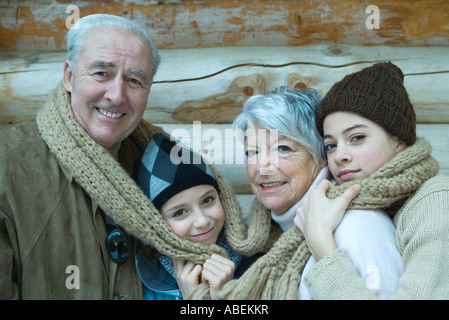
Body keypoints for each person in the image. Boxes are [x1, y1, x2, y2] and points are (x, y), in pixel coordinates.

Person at [0, 13, 164, 299]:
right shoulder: (7, 166)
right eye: (102, 73)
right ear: (69, 75)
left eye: (135, 80)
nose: (116, 95)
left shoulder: (163, 166)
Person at [229, 85, 403, 299]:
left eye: (283, 149)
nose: (263, 166)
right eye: (253, 152)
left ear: (320, 155)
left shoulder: (358, 225)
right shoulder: (260, 235)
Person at [294, 62, 449, 299]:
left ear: (398, 140)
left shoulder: (436, 201)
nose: (340, 156)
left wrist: (321, 244)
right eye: (331, 145)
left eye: (357, 137)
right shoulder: (371, 203)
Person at [135, 133, 260, 299]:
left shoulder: (255, 265)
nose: (202, 221)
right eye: (180, 212)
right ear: (157, 223)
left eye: (207, 200)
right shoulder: (149, 281)